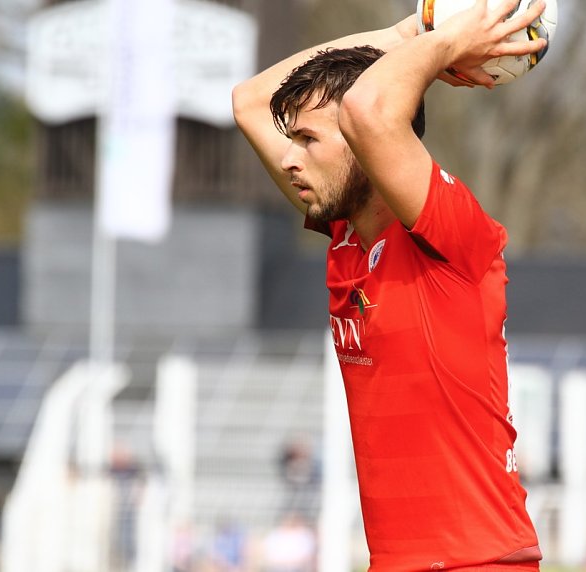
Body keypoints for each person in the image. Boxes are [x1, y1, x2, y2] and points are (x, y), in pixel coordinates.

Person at [233, 1, 547, 569]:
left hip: (479, 561)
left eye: (308, 139)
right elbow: (250, 100)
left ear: (362, 144)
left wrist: (448, 41)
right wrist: (412, 31)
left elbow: (368, 109)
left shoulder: (454, 234)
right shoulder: (346, 237)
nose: (290, 159)